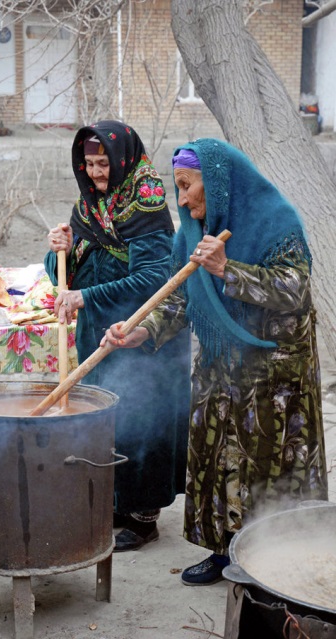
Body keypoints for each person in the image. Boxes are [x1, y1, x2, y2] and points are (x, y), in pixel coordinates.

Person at [101, 138, 328, 582]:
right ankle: (223, 552)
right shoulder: (190, 232)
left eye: (187, 186)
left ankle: (276, 560)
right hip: (219, 369)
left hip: (276, 376)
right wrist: (142, 330)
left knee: (268, 462)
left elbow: (296, 292)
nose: (181, 199)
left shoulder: (276, 221)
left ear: (219, 185)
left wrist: (229, 270)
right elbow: (181, 299)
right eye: (177, 188)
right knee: (218, 457)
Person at [44, 120, 191, 551]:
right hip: (101, 336)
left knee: (144, 420)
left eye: (103, 163)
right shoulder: (89, 207)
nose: (95, 173)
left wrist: (85, 297)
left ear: (123, 159)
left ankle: (144, 516)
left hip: (143, 338)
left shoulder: (144, 202)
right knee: (110, 420)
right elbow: (64, 279)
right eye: (88, 164)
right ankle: (116, 502)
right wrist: (59, 251)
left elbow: (153, 280)